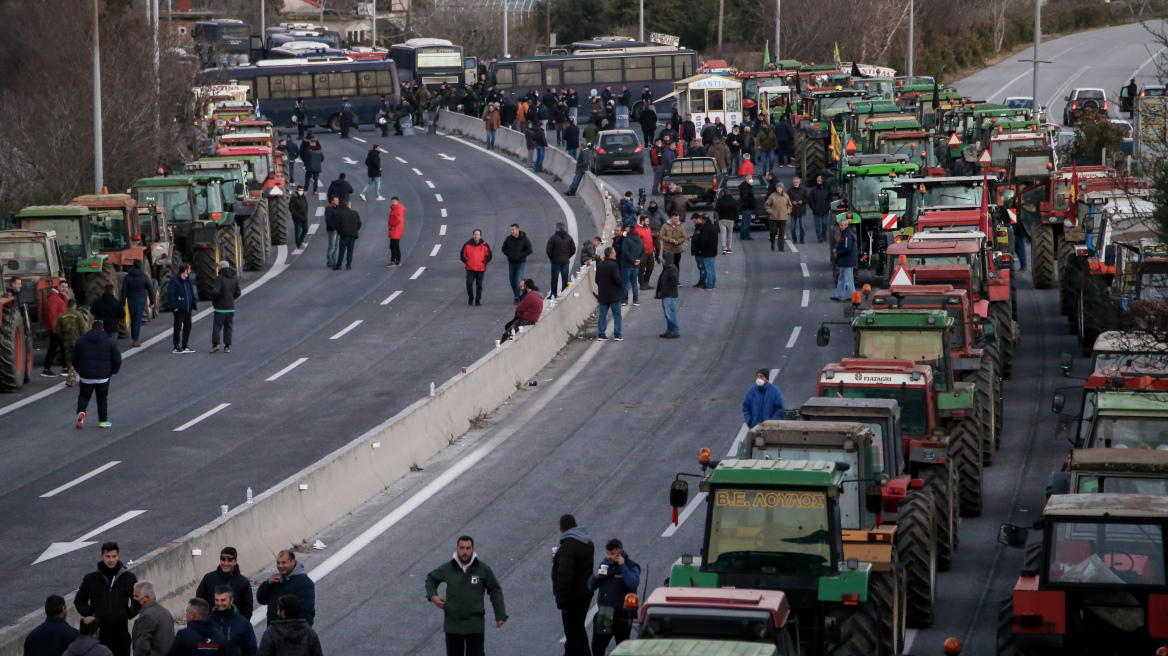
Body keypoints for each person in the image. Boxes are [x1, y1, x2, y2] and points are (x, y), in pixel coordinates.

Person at [425, 536, 507, 656]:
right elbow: (430, 579)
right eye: (461, 548)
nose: (464, 551)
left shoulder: (483, 569)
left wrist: (500, 615)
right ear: (457, 549)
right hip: (453, 625)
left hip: (474, 625)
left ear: (473, 549)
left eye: (468, 548)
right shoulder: (447, 568)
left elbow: (495, 590)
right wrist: (433, 596)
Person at [75, 543, 138, 656]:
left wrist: (127, 614)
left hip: (121, 633)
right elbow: (79, 601)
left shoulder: (129, 578)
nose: (111, 560)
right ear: (101, 557)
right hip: (99, 634)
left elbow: (137, 601)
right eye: (107, 556)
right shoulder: (91, 579)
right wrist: (91, 614)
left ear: (118, 556)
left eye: (114, 556)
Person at [587, 539, 641, 655]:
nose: (609, 557)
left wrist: (622, 566)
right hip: (605, 614)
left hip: (622, 615)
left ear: (620, 553)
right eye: (607, 553)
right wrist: (596, 576)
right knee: (597, 647)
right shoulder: (605, 565)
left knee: (622, 650)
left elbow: (633, 583)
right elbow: (591, 586)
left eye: (612, 553)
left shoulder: (631, 566)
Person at [554, 515, 594, 656]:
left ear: (561, 529)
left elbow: (564, 576)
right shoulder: (586, 542)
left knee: (575, 633)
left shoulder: (567, 548)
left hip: (572, 597)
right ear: (576, 524)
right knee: (576, 629)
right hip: (585, 593)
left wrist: (561, 600)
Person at [72, 322, 121, 429]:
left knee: (84, 396)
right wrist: (113, 371)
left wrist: (79, 370)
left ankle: (81, 412)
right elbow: (117, 358)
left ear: (91, 328)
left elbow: (74, 357)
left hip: (86, 376)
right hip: (103, 377)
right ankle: (103, 421)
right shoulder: (109, 341)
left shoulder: (81, 340)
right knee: (102, 399)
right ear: (103, 329)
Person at [256, 551, 316, 627]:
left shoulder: (304, 583)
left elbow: (307, 613)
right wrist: (267, 584)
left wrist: (299, 633)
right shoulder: (275, 580)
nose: (280, 566)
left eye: (284, 563)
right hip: (273, 631)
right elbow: (261, 600)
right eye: (278, 563)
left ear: (293, 562)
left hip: (292, 634)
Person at [195, 547, 254, 620]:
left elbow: (247, 609)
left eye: (229, 560)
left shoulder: (243, 582)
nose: (226, 563)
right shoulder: (208, 578)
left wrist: (240, 626)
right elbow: (199, 603)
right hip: (212, 626)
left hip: (233, 627)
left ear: (235, 561)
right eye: (223, 559)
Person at [256, 596, 321, 656]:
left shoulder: (271, 633)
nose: (277, 611)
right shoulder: (309, 632)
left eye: (279, 609)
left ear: (283, 612)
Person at [209, 587, 257, 656]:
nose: (219, 603)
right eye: (217, 600)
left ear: (231, 600)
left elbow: (251, 649)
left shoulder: (243, 623)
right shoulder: (206, 622)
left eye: (223, 600)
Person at [131, 582, 174, 656]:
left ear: (147, 598)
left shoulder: (147, 616)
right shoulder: (165, 612)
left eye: (136, 596)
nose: (134, 599)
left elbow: (142, 646)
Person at [210, 261, 241, 352]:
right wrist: (231, 299)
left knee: (217, 326)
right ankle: (227, 346)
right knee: (229, 326)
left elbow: (216, 292)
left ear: (221, 268)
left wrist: (215, 300)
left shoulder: (219, 278)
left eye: (218, 267)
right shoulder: (234, 278)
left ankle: (216, 344)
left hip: (220, 308)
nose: (217, 268)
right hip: (230, 307)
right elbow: (238, 292)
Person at [56, 295, 85, 385]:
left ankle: (70, 377)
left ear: (67, 305)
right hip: (76, 340)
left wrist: (63, 337)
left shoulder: (62, 316)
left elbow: (57, 330)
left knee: (68, 359)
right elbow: (83, 329)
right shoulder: (78, 315)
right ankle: (71, 379)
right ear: (75, 306)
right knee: (76, 359)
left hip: (66, 340)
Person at [168, 263, 197, 354]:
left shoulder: (187, 280)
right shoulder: (175, 281)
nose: (190, 271)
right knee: (178, 327)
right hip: (179, 309)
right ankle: (176, 346)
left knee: (188, 326)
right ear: (185, 270)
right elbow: (171, 294)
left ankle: (185, 345)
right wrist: (175, 307)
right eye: (189, 269)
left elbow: (191, 292)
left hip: (188, 308)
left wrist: (193, 304)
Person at [40, 282, 68, 376]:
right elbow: (51, 314)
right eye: (63, 287)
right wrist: (54, 328)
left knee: (64, 347)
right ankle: (46, 369)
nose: (65, 289)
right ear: (58, 287)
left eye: (66, 287)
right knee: (53, 348)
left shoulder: (62, 298)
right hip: (56, 328)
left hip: (61, 328)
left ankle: (65, 368)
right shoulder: (54, 298)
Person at [595, 248, 623, 341]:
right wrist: (621, 287)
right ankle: (617, 334)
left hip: (603, 294)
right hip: (614, 295)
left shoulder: (600, 264)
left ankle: (601, 334)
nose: (616, 253)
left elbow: (596, 280)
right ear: (610, 254)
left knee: (603, 314)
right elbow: (618, 280)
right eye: (614, 252)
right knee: (617, 315)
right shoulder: (614, 266)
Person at [501, 224, 533, 303]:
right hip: (511, 263)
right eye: (511, 230)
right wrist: (509, 254)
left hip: (520, 263)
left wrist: (521, 255)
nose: (512, 231)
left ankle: (517, 297)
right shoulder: (508, 239)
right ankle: (518, 294)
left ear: (517, 230)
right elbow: (503, 248)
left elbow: (529, 249)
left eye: (513, 230)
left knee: (517, 280)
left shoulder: (524, 239)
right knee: (512, 281)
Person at [460, 229, 492, 306]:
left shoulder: (485, 245)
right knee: (469, 283)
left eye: (477, 234)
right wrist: (467, 262)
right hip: (470, 268)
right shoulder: (467, 244)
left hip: (480, 269)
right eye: (475, 234)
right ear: (473, 235)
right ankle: (471, 298)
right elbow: (462, 255)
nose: (476, 236)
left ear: (480, 236)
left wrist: (484, 263)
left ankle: (477, 300)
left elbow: (489, 256)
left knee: (479, 285)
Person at [546, 223, 576, 299]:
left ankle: (553, 294)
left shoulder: (553, 238)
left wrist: (552, 258)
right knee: (565, 278)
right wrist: (567, 257)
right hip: (565, 261)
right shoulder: (569, 238)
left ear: (558, 229)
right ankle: (564, 294)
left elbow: (548, 250)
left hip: (556, 261)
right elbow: (573, 249)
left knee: (554, 279)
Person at [832, 216, 857, 302]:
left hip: (847, 261)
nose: (840, 227)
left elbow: (847, 248)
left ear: (846, 225)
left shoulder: (847, 235)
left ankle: (852, 296)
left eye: (842, 225)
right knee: (842, 279)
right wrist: (837, 249)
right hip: (845, 261)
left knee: (848, 280)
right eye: (840, 225)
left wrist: (837, 253)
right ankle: (839, 296)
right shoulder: (845, 234)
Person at [618, 225, 645, 307]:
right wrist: (638, 260)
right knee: (634, 283)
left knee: (625, 283)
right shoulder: (640, 241)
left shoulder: (626, 241)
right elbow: (643, 253)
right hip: (636, 266)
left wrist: (633, 260)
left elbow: (625, 252)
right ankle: (635, 300)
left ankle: (624, 300)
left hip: (626, 265)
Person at [332, 200, 362, 271]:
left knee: (342, 250)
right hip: (353, 234)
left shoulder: (340, 213)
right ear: (349, 205)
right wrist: (355, 230)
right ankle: (348, 265)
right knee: (350, 250)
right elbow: (359, 223)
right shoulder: (355, 213)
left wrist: (340, 232)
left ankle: (339, 265)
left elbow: (336, 224)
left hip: (344, 235)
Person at [691, 214, 719, 290]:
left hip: (707, 252)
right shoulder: (712, 227)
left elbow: (703, 241)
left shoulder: (705, 228)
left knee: (708, 269)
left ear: (703, 220)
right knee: (711, 268)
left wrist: (700, 249)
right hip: (713, 250)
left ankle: (710, 285)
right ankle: (712, 283)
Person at [654, 259, 680, 339]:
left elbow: (674, 282)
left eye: (664, 259)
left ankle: (675, 331)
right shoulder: (667, 268)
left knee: (670, 314)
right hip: (666, 295)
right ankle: (669, 331)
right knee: (667, 314)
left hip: (669, 295)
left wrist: (665, 290)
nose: (663, 261)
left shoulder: (672, 269)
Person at [765, 184, 793, 252]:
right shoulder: (772, 196)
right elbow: (767, 205)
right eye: (777, 187)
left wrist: (788, 211)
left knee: (781, 233)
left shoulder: (786, 196)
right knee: (773, 231)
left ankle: (781, 247)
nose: (778, 189)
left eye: (780, 187)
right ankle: (772, 242)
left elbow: (790, 205)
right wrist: (770, 211)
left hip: (783, 217)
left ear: (782, 188)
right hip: (774, 218)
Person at [809, 175, 832, 243]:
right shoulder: (813, 190)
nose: (819, 182)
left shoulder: (827, 189)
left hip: (825, 210)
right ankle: (819, 237)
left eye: (820, 181)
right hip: (816, 210)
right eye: (818, 181)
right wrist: (814, 207)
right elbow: (810, 199)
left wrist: (828, 207)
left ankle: (824, 234)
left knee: (824, 224)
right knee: (817, 225)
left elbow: (830, 199)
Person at [714, 188, 738, 254]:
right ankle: (729, 248)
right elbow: (736, 211)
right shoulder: (733, 201)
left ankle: (724, 247)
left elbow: (716, 209)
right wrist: (737, 220)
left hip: (722, 219)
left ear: (723, 193)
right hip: (731, 219)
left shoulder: (720, 200)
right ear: (729, 193)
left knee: (723, 233)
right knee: (730, 233)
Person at [635, 215, 655, 290]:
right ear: (642, 221)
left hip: (650, 252)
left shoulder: (648, 229)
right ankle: (641, 283)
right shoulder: (637, 230)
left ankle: (646, 282)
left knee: (650, 267)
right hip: (643, 253)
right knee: (642, 269)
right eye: (647, 221)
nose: (648, 223)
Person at [788, 176, 809, 245]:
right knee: (792, 227)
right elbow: (787, 199)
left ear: (799, 183)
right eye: (794, 182)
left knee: (802, 226)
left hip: (801, 211)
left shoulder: (803, 190)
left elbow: (807, 199)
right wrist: (792, 202)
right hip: (793, 211)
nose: (795, 183)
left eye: (796, 182)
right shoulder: (789, 190)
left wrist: (802, 201)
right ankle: (794, 239)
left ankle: (801, 239)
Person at [386, 197, 405, 267]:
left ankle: (393, 261)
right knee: (396, 245)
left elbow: (398, 219)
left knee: (393, 246)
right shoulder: (397, 208)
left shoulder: (398, 209)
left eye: (394, 202)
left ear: (397, 201)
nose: (392, 203)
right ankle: (397, 261)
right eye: (392, 202)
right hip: (396, 230)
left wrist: (392, 225)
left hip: (395, 230)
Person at [323, 195, 341, 268]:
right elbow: (328, 220)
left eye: (338, 200)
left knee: (336, 247)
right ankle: (330, 262)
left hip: (338, 230)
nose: (338, 201)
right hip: (332, 230)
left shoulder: (338, 208)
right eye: (336, 200)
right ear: (332, 201)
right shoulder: (329, 209)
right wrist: (334, 228)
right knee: (332, 246)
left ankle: (335, 262)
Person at [289, 186, 309, 250]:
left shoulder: (304, 197)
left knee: (305, 229)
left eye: (302, 190)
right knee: (298, 230)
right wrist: (296, 214)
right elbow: (291, 207)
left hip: (304, 216)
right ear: (297, 190)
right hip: (297, 217)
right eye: (299, 190)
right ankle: (298, 244)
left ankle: (301, 240)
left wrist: (306, 213)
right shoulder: (294, 198)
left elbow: (306, 205)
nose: (301, 191)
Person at [738, 175, 756, 241]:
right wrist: (749, 203)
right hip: (747, 206)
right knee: (746, 221)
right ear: (746, 179)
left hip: (745, 206)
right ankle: (746, 235)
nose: (752, 180)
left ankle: (742, 235)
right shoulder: (745, 186)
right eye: (750, 178)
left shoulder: (745, 186)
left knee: (744, 221)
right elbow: (746, 197)